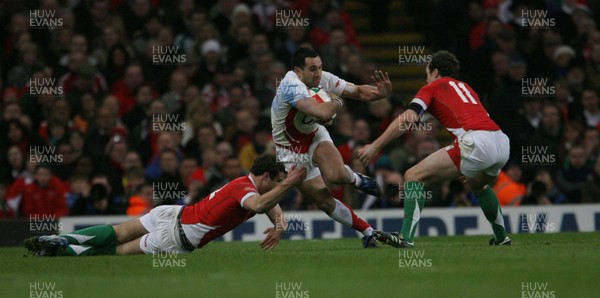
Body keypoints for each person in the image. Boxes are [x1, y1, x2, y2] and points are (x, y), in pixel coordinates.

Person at [358, 51, 512, 248]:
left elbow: (409, 118)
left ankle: (406, 237)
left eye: (427, 73)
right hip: (500, 142)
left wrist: (376, 145)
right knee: (478, 185)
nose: (426, 78)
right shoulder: (467, 88)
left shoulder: (433, 87)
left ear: (435, 72)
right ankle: (501, 238)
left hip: (476, 142)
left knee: (413, 175)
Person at [24, 154, 306, 256]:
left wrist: (280, 226)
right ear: (267, 177)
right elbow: (258, 206)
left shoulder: (246, 185)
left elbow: (270, 205)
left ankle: (58, 240)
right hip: (176, 237)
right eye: (278, 180)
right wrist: (290, 183)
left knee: (119, 230)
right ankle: (64, 252)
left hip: (172, 212)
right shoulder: (246, 190)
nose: (281, 186)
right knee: (119, 250)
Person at [272, 47, 392, 248]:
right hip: (290, 149)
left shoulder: (321, 78)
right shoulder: (290, 85)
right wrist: (336, 102)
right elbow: (321, 113)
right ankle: (368, 232)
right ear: (298, 71)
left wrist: (380, 93)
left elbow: (359, 91)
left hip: (313, 135)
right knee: (324, 201)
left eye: (319, 67)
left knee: (337, 176)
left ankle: (356, 179)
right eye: (312, 69)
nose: (317, 73)